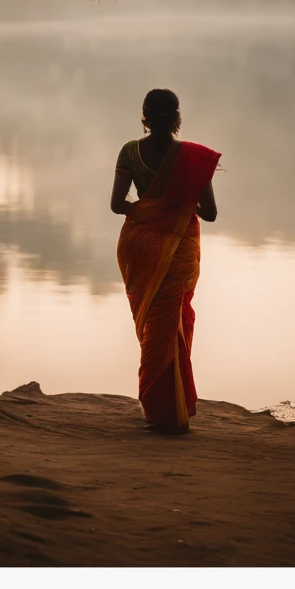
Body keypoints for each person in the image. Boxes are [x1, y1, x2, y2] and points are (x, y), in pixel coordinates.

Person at [111, 89, 220, 434]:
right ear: (176, 117)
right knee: (172, 321)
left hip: (142, 246)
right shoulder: (193, 158)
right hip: (180, 246)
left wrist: (149, 211)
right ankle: (176, 408)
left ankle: (161, 411)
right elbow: (211, 214)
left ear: (143, 116)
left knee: (154, 327)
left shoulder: (130, 151)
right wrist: (179, 206)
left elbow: (117, 204)